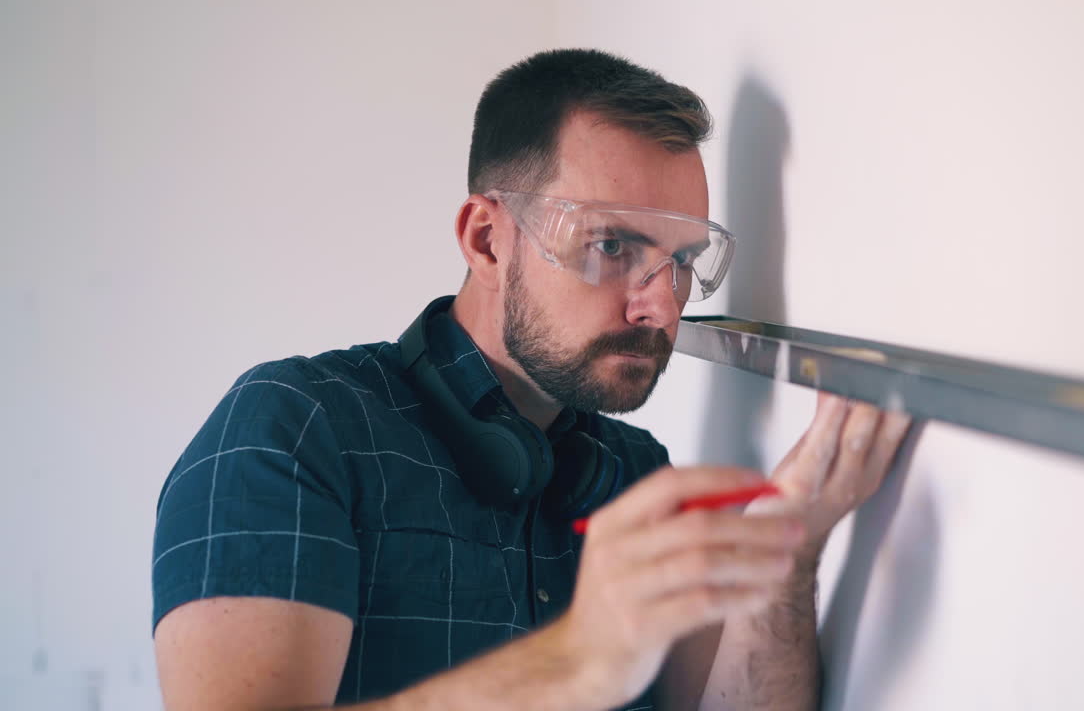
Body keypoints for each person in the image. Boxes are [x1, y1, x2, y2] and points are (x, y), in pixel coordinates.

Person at [151, 48, 913, 711]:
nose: (658, 305)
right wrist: (574, 661)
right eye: (611, 244)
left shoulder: (637, 475)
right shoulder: (298, 429)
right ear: (486, 240)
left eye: (681, 263)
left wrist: (791, 549)